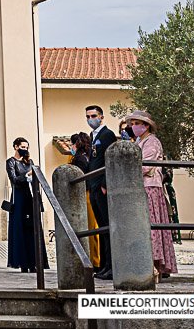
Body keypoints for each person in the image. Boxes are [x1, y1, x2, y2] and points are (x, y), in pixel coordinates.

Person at [127, 110, 177, 282]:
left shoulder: (152, 142)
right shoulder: (140, 141)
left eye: (136, 123)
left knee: (152, 226)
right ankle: (148, 264)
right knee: (146, 226)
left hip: (150, 187)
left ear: (145, 125)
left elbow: (146, 165)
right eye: (132, 124)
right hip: (141, 186)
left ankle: (155, 265)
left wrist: (127, 172)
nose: (133, 127)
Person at [5, 137, 48, 273]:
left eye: (27, 147)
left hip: (31, 197)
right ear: (16, 147)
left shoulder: (30, 162)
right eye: (22, 147)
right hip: (19, 199)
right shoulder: (11, 162)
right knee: (20, 229)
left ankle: (34, 262)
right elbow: (14, 179)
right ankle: (22, 262)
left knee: (32, 229)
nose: (25, 149)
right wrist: (27, 175)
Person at [85, 105, 117, 280]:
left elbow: (110, 159)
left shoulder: (107, 135)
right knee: (102, 228)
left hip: (102, 186)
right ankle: (104, 266)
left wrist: (105, 183)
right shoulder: (92, 136)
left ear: (101, 117)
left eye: (94, 116)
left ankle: (112, 266)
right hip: (94, 186)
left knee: (107, 226)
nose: (91, 119)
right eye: (88, 116)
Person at [70, 133, 100, 269]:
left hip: (86, 194)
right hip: (92, 192)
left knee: (91, 227)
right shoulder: (90, 157)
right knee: (95, 228)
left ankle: (95, 260)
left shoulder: (79, 159)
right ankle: (97, 260)